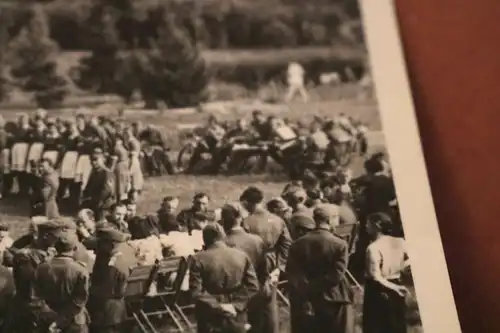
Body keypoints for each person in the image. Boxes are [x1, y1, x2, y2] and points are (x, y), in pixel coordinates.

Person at [286, 206, 354, 333]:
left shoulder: (297, 244)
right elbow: (337, 275)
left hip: (305, 297)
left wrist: (308, 290)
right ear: (330, 221)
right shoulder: (340, 244)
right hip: (334, 297)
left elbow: (293, 274)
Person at [189, 223, 260, 333]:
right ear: (223, 237)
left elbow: (196, 291)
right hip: (236, 313)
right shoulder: (241, 255)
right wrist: (236, 305)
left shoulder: (198, 258)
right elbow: (253, 287)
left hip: (209, 314)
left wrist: (219, 307)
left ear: (204, 239)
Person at [240, 186, 291, 333]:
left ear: (248, 203)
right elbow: (287, 244)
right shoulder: (277, 220)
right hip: (272, 262)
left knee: (253, 301)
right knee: (270, 300)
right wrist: (280, 266)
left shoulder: (247, 222)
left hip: (253, 262)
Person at [32, 233, 90, 333]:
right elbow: (79, 300)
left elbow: (35, 296)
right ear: (75, 249)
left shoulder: (42, 267)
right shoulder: (80, 270)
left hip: (47, 319)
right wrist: (61, 321)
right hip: (73, 320)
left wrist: (52, 318)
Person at [362, 212, 410, 333]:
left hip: (377, 290)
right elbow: (411, 260)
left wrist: (395, 287)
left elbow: (375, 276)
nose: (365, 226)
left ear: (377, 225)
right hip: (396, 283)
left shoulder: (373, 247)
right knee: (396, 323)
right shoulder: (400, 241)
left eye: (368, 224)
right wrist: (400, 268)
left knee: (378, 326)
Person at [89, 227, 138, 333]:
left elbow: (106, 290)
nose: (97, 246)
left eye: (100, 243)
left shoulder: (112, 266)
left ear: (110, 245)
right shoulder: (120, 257)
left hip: (108, 310)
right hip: (118, 307)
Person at [82, 149, 115, 221]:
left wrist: (97, 201)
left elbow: (106, 191)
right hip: (93, 203)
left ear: (103, 160)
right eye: (91, 160)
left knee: (101, 223)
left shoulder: (106, 173)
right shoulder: (94, 172)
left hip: (103, 205)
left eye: (96, 160)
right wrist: (85, 196)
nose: (93, 162)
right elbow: (89, 186)